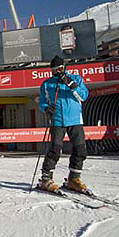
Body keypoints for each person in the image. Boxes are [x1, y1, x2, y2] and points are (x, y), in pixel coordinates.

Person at [38, 55, 89, 192]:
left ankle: (74, 179)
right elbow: (42, 100)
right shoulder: (47, 84)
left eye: (59, 69)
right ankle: (46, 179)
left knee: (80, 149)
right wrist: (46, 108)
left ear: (64, 68)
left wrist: (70, 84)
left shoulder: (75, 79)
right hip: (57, 120)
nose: (57, 72)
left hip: (75, 120)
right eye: (54, 70)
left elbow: (83, 96)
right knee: (55, 150)